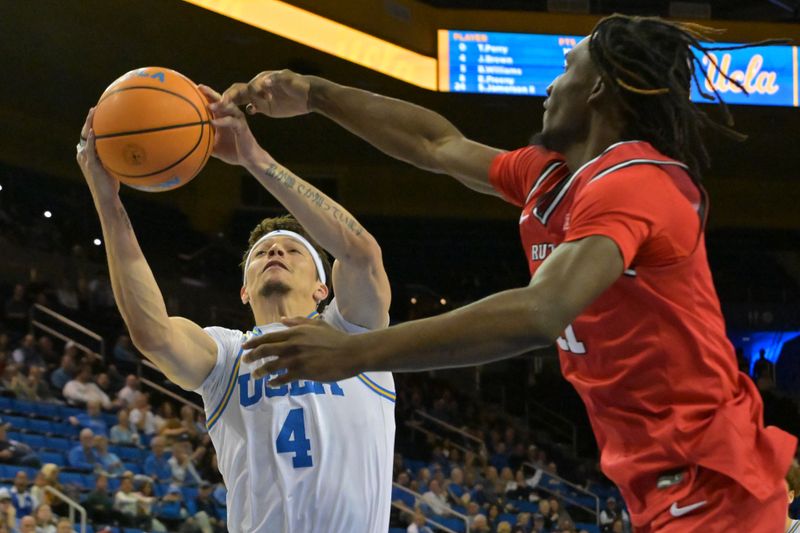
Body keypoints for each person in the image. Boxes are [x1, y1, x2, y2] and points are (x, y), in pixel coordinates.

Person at [234, 14, 797, 533]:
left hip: (712, 482)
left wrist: (357, 352)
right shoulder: (551, 179)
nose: (550, 87)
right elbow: (435, 144)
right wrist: (315, 94)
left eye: (566, 71)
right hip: (657, 483)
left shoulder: (639, 182)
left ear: (599, 88)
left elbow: (540, 313)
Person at [76, 80, 395, 533]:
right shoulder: (228, 356)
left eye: (292, 250)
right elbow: (154, 334)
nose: (275, 254)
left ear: (323, 289)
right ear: (243, 291)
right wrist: (108, 203)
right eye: (263, 253)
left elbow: (360, 253)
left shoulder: (356, 335)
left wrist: (254, 159)